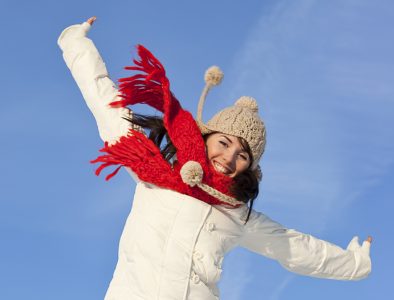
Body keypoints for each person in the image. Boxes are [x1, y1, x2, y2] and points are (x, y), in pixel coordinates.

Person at [58, 16, 372, 300]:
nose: (229, 157)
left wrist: (355, 264)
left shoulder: (236, 214)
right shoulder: (155, 173)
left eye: (243, 155)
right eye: (223, 142)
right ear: (206, 138)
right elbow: (105, 103)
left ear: (250, 167)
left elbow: (297, 249)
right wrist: (76, 41)